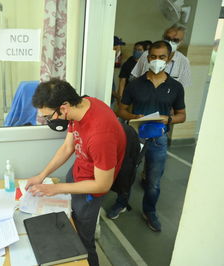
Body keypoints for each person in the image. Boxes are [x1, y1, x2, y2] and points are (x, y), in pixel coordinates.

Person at [25, 79, 126, 266]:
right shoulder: (82, 106)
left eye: (48, 116)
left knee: (83, 242)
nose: (49, 121)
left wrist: (56, 189)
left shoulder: (101, 135)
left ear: (63, 107)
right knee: (70, 226)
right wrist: (42, 175)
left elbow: (103, 184)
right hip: (79, 173)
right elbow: (67, 147)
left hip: (90, 189)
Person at [110, 41, 186, 232]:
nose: (157, 61)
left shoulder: (175, 87)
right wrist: (134, 117)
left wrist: (167, 119)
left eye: (162, 57)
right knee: (126, 174)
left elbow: (182, 115)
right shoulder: (135, 84)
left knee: (153, 180)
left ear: (169, 59)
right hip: (135, 137)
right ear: (148, 57)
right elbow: (122, 111)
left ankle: (149, 211)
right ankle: (121, 203)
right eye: (153, 56)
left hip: (158, 139)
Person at [131, 24, 191, 89]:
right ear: (163, 37)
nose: (170, 42)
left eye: (175, 40)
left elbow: (182, 88)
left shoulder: (183, 61)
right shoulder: (146, 54)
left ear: (181, 42)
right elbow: (135, 78)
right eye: (168, 38)